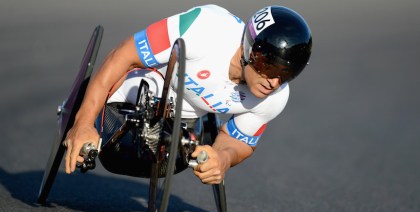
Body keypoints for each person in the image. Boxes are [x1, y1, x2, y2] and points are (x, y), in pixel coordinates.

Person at [63, 4, 312, 184]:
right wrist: (83, 122)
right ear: (249, 48)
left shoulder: (275, 98)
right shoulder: (205, 26)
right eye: (269, 67)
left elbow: (240, 140)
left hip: (184, 122)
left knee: (179, 154)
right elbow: (124, 56)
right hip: (139, 88)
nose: (274, 82)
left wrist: (223, 158)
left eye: (287, 74)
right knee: (99, 130)